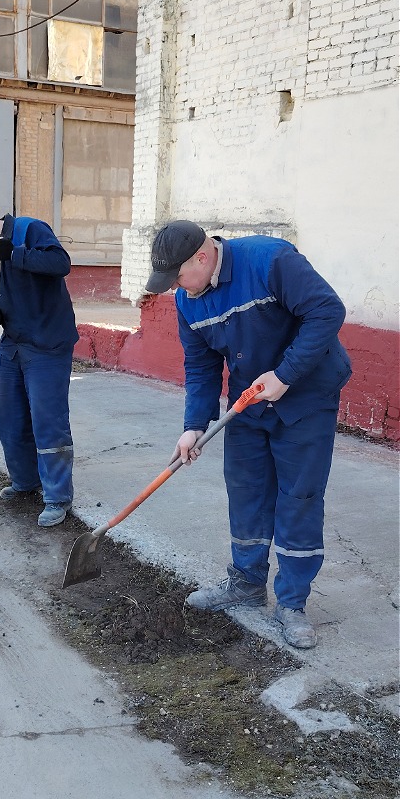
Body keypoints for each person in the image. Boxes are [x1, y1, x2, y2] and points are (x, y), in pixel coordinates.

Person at [145, 221, 352, 648]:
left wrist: (286, 375)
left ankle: (292, 604)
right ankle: (246, 582)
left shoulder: (269, 260)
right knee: (246, 491)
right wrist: (193, 426)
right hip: (249, 400)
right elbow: (200, 366)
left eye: (178, 276)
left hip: (306, 395)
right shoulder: (187, 300)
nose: (176, 288)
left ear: (203, 257)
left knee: (298, 497)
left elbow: (327, 311)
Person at [0, 197, 78, 528]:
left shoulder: (28, 230)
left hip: (48, 343)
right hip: (13, 344)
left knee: (48, 421)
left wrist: (15, 255)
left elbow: (60, 264)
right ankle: (25, 480)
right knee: (10, 418)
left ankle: (57, 497)